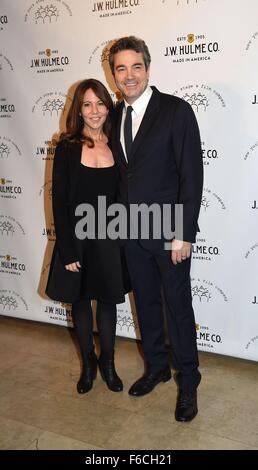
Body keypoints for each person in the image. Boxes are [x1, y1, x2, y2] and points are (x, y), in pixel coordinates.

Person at [108, 36, 203, 421]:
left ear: (148, 69)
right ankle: (158, 368)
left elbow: (191, 176)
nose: (129, 76)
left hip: (169, 234)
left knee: (178, 309)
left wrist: (184, 233)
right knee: (145, 305)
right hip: (131, 233)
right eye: (120, 68)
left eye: (135, 67)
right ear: (113, 74)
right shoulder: (115, 115)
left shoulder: (176, 111)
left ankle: (189, 382)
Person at [46, 78, 130, 395]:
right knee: (80, 303)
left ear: (108, 107)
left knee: (108, 303)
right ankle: (89, 365)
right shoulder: (66, 147)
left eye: (99, 103)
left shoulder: (118, 145)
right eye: (87, 104)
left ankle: (108, 364)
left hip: (109, 240)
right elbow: (59, 202)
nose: (94, 111)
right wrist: (67, 251)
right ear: (79, 111)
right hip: (77, 240)